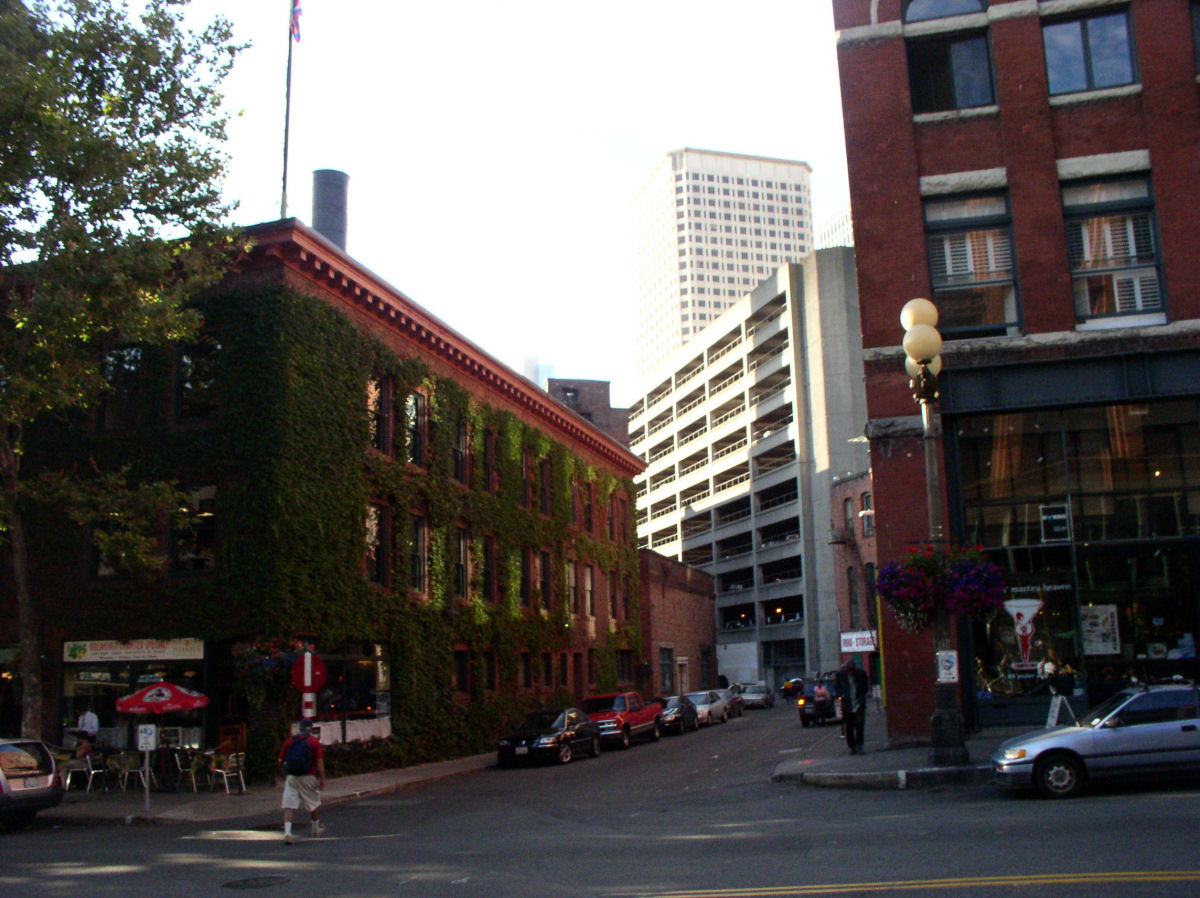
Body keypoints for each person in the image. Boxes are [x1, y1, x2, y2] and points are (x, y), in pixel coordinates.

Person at [279, 718, 326, 844]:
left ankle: (287, 833)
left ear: (300, 728)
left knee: (289, 806)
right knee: (312, 804)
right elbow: (319, 761)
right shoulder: (313, 741)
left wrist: (283, 772)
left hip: (292, 777)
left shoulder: (289, 741)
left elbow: (280, 760)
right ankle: (315, 829)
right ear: (310, 729)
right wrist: (322, 778)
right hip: (308, 776)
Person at [836, 660, 870, 755]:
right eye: (849, 670)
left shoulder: (861, 674)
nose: (851, 672)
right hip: (847, 704)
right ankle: (852, 746)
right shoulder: (841, 676)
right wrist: (841, 695)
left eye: (852, 670)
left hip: (858, 703)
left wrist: (862, 696)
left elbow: (865, 686)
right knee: (849, 726)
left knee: (859, 723)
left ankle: (859, 745)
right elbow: (837, 687)